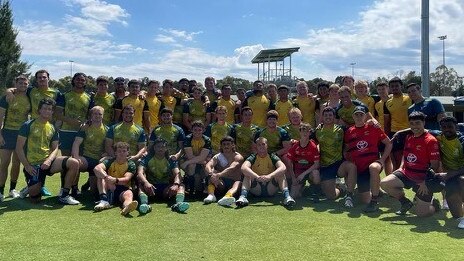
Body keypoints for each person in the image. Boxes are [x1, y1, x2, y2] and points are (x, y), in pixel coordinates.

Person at [15, 98, 80, 205]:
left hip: (47, 163)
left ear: (52, 111)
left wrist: (49, 161)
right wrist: (27, 166)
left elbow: (55, 148)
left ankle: (64, 196)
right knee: (35, 199)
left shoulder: (52, 128)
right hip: (33, 166)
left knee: (74, 163)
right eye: (44, 108)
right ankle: (30, 187)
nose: (47, 111)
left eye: (49, 109)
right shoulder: (27, 125)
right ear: (39, 110)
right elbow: (19, 148)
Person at [380, 112, 441, 217]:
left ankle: (435, 205)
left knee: (422, 214)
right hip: (406, 173)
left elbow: (434, 166)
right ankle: (405, 203)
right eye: (412, 123)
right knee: (385, 183)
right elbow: (406, 155)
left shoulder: (430, 140)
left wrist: (424, 183)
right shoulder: (409, 137)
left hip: (422, 178)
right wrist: (400, 168)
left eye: (417, 123)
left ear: (424, 123)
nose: (414, 126)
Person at [344, 106, 392, 212]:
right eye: (356, 114)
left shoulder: (374, 128)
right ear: (353, 116)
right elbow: (346, 149)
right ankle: (375, 190)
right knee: (365, 199)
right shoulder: (349, 131)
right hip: (360, 168)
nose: (359, 116)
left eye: (361, 114)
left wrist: (382, 160)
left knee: (373, 167)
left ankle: (374, 201)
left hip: (374, 163)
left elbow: (388, 143)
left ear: (366, 116)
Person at [315, 107, 357, 207]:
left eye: (330, 115)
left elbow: (356, 127)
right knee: (331, 196)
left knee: (352, 166)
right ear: (322, 117)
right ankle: (341, 188)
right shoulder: (317, 131)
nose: (328, 117)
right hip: (326, 166)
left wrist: (371, 122)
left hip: (339, 164)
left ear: (334, 117)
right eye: (326, 115)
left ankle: (349, 195)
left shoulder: (341, 130)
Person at [237, 137, 295, 208]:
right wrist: (257, 176)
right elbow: (243, 168)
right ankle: (243, 197)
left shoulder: (272, 156)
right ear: (256, 147)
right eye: (259, 145)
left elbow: (283, 167)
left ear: (267, 145)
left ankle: (287, 197)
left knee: (281, 174)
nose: (261, 146)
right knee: (247, 174)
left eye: (263, 144)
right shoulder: (253, 157)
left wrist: (270, 176)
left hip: (270, 187)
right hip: (256, 187)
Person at [136, 138, 190, 214]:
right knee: (140, 184)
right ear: (154, 148)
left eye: (163, 147)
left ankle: (178, 204)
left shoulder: (170, 159)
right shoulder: (147, 158)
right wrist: (146, 183)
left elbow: (177, 173)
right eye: (158, 146)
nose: (160, 149)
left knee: (181, 186)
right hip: (151, 188)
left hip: (166, 189)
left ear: (166, 148)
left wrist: (175, 184)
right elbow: (140, 173)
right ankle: (144, 205)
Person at [0, 75, 31, 200]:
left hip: (22, 135)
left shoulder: (29, 96)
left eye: (25, 83)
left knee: (17, 163)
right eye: (20, 83)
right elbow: (0, 117)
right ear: (15, 83)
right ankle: (0, 191)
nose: (23, 85)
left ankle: (12, 189)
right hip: (7, 133)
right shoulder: (7, 97)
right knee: (4, 163)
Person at [430, 117, 464, 228]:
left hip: (459, 174)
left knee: (461, 181)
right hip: (451, 176)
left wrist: (448, 175)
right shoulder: (439, 136)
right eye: (444, 127)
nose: (447, 129)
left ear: (457, 127)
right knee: (456, 215)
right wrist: (399, 133)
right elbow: (419, 128)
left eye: (450, 127)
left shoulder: (462, 141)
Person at [93, 141, 139, 215]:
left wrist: (115, 180)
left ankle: (127, 207)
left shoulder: (131, 164)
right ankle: (103, 200)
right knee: (100, 176)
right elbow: (97, 168)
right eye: (119, 151)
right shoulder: (110, 161)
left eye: (124, 151)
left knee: (129, 194)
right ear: (115, 153)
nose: (122, 153)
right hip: (109, 188)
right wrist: (107, 177)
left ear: (128, 153)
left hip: (122, 188)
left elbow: (126, 179)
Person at [71, 106, 108, 196]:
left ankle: (89, 183)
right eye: (95, 113)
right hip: (86, 158)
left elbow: (109, 147)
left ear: (103, 116)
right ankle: (74, 189)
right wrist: (76, 158)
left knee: (94, 192)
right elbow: (76, 143)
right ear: (91, 115)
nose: (97, 116)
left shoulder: (107, 130)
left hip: (98, 161)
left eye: (100, 114)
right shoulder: (85, 127)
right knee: (73, 163)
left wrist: (106, 154)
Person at [204, 136, 244, 206]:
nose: (226, 146)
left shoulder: (238, 157)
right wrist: (211, 174)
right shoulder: (217, 156)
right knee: (212, 175)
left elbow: (232, 168)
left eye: (228, 144)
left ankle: (227, 197)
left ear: (233, 145)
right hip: (221, 183)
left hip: (234, 182)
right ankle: (211, 195)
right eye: (224, 144)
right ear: (221, 146)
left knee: (238, 183)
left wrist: (219, 175)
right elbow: (208, 165)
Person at [286, 123, 320, 200]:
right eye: (303, 131)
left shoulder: (313, 146)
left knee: (316, 174)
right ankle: (305, 190)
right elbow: (289, 163)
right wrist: (293, 177)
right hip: (298, 171)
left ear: (310, 133)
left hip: (309, 171)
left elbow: (316, 164)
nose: (305, 133)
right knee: (294, 195)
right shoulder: (295, 146)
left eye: (307, 131)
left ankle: (315, 192)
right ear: (300, 132)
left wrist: (304, 174)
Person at [384, 77, 412, 170]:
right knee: (396, 160)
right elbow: (387, 121)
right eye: (392, 86)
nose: (395, 88)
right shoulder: (388, 102)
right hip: (395, 132)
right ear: (389, 88)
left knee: (411, 157)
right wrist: (387, 135)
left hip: (409, 132)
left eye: (397, 86)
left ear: (401, 86)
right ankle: (396, 180)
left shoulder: (409, 98)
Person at [181, 121, 211, 197]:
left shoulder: (207, 139)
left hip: (198, 161)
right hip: (195, 161)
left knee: (208, 167)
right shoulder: (188, 138)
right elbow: (190, 156)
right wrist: (201, 160)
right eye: (195, 130)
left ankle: (207, 189)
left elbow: (203, 157)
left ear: (203, 130)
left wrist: (186, 163)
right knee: (192, 164)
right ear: (191, 130)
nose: (197, 132)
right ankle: (191, 190)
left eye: (199, 130)